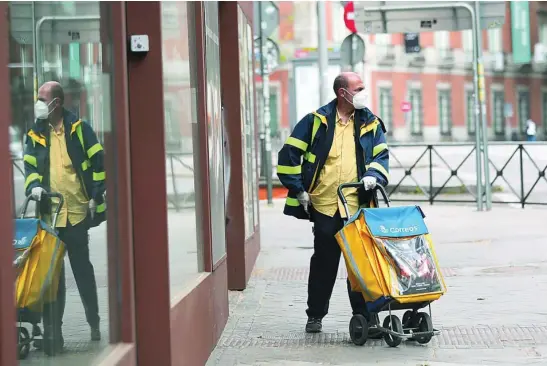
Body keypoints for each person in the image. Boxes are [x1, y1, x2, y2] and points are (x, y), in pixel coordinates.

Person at [277, 72, 389, 333]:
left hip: (358, 207)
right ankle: (315, 315)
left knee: (361, 265)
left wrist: (373, 176)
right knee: (324, 264)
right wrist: (299, 191)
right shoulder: (316, 122)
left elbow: (381, 157)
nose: (363, 92)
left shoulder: (371, 123)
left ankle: (366, 317)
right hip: (325, 205)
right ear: (343, 93)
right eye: (358, 88)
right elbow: (288, 155)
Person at [23, 81, 107, 355]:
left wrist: (96, 195)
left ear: (56, 103)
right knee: (53, 279)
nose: (38, 103)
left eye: (42, 98)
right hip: (52, 217)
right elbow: (30, 167)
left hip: (77, 213)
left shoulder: (79, 130)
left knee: (83, 272)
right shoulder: (35, 134)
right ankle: (55, 334)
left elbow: (99, 163)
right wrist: (34, 187)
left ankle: (93, 322)